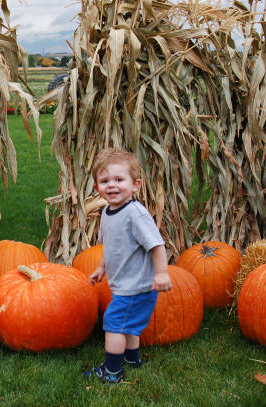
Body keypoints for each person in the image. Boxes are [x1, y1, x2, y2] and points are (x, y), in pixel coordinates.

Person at [84, 147, 172, 384]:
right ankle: (133, 360)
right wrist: (102, 268)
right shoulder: (107, 212)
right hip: (125, 285)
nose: (111, 185)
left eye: (119, 180)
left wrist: (162, 273)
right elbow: (110, 246)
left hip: (137, 287)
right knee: (129, 326)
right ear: (97, 188)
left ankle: (113, 371)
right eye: (104, 181)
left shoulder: (135, 214)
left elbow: (156, 245)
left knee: (113, 324)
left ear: (135, 185)